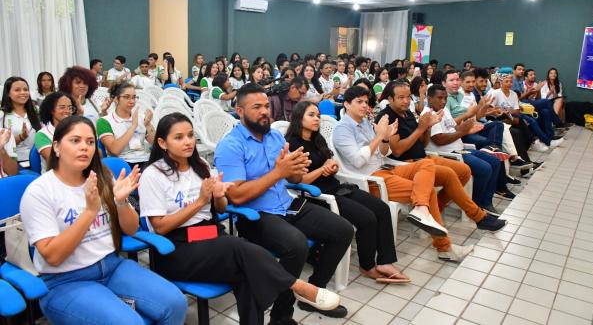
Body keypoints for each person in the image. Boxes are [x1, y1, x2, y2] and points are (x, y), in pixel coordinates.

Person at [139, 113, 340, 325]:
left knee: (247, 273)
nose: (188, 141)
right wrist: (199, 201)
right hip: (175, 246)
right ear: (162, 142)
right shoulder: (153, 175)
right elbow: (160, 228)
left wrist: (218, 197)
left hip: (206, 234)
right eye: (178, 137)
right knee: (238, 247)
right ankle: (297, 286)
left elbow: (219, 210)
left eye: (190, 135)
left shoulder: (200, 166)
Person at [20, 116, 187, 325]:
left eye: (90, 142)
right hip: (65, 281)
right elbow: (53, 256)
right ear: (56, 146)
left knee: (176, 303)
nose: (84, 148)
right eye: (75, 141)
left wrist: (121, 202)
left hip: (112, 266)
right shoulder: (39, 192)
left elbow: (131, 228)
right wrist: (90, 212)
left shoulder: (102, 177)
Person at [214, 83, 354, 322]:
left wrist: (295, 169)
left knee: (343, 230)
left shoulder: (275, 136)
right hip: (256, 215)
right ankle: (281, 316)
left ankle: (312, 293)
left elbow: (293, 178)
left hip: (287, 205)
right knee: (296, 245)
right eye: (256, 107)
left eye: (266, 106)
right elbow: (235, 196)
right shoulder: (231, 145)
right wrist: (279, 173)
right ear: (239, 111)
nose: (264, 111)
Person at [334, 86, 507, 261]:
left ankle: (432, 212)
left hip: (388, 167)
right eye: (359, 102)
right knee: (427, 191)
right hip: (372, 179)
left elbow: (384, 153)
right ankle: (443, 245)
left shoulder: (366, 122)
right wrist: (380, 136)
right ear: (347, 104)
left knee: (427, 166)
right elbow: (358, 161)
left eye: (365, 102)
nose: (364, 106)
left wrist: (385, 138)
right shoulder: (343, 129)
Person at [285, 102, 408, 284]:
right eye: (311, 115)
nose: (317, 118)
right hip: (317, 196)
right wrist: (321, 170)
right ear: (298, 118)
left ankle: (385, 261)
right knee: (366, 218)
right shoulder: (293, 145)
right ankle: (367, 266)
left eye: (318, 115)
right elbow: (298, 181)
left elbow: (330, 163)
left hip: (336, 187)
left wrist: (332, 167)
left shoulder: (318, 139)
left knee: (381, 209)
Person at [424, 85, 513, 215]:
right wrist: (462, 132)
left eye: (445, 98)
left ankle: (486, 202)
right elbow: (439, 139)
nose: (443, 101)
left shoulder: (444, 110)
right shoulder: (428, 114)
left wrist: (467, 128)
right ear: (429, 99)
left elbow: (454, 129)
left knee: (495, 160)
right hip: (448, 155)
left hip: (460, 149)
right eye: (440, 98)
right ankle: (475, 205)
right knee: (484, 168)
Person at [97, 82, 154, 170]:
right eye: (126, 97)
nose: (132, 101)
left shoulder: (140, 117)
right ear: (116, 99)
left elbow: (155, 142)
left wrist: (148, 124)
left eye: (134, 97)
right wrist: (133, 126)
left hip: (144, 159)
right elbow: (114, 150)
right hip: (121, 162)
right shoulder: (104, 121)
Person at [0, 77, 42, 166]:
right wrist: (21, 137)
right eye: (17, 90)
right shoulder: (2, 115)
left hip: (38, 161)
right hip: (14, 163)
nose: (23, 93)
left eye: (26, 90)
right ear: (8, 93)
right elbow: (2, 144)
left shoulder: (37, 112)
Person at [35, 92, 76, 172]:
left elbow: (97, 153)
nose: (67, 111)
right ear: (51, 110)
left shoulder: (78, 129)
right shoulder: (42, 134)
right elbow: (55, 161)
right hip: (54, 178)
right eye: (62, 107)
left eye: (70, 108)